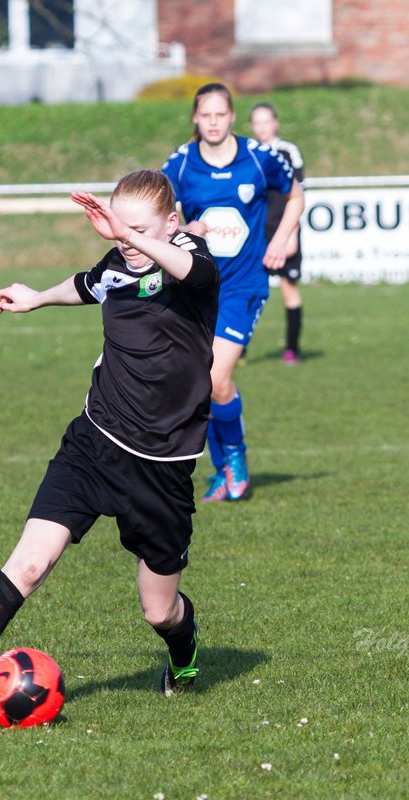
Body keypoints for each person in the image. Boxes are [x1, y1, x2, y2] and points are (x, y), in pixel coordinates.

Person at [0, 170, 220, 723]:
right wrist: (36, 298)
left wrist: (134, 235)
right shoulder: (119, 262)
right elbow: (88, 284)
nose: (123, 238)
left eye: (137, 228)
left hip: (162, 467)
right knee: (27, 564)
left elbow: (189, 270)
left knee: (158, 610)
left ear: (170, 222)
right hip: (94, 443)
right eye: (118, 228)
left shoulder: (191, 255)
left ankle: (184, 647)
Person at [162, 83, 303, 502]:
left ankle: (235, 460)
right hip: (194, 286)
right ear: (194, 118)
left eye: (220, 115)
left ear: (232, 116)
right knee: (199, 385)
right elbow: (158, 211)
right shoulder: (182, 164)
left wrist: (281, 239)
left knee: (215, 376)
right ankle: (223, 469)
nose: (213, 122)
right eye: (205, 115)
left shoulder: (259, 159)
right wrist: (183, 230)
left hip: (243, 286)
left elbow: (295, 195)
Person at [249, 101, 306, 364]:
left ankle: (292, 348)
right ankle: (238, 349)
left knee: (288, 289)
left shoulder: (287, 152)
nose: (262, 127)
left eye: (266, 121)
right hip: (254, 234)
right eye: (257, 122)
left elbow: (297, 195)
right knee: (245, 289)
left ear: (275, 123)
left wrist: (291, 235)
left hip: (283, 230)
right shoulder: (245, 154)